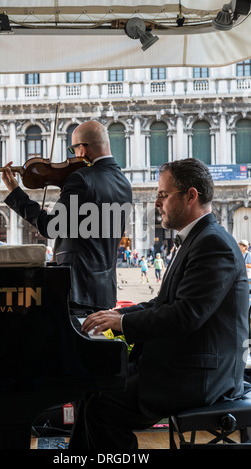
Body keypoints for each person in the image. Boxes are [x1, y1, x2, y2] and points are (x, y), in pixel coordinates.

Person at [81, 157, 250, 449]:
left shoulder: (213, 244)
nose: (157, 202)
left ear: (191, 196)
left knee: (102, 407)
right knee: (93, 390)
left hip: (200, 375)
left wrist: (121, 323)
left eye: (163, 194)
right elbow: (164, 302)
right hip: (184, 363)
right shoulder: (198, 239)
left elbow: (186, 315)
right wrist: (117, 314)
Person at [1, 120, 132, 312]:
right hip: (104, 293)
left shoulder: (81, 179)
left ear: (83, 149)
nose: (72, 156)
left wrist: (15, 192)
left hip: (76, 290)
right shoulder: (124, 183)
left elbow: (50, 227)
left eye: (73, 150)